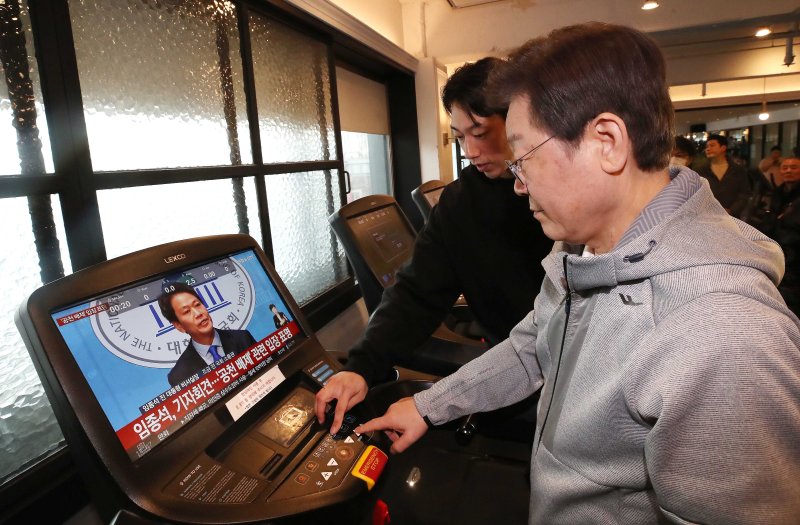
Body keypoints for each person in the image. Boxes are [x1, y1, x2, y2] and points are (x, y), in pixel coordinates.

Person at [354, 23, 800, 524]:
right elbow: (534, 346)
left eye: (523, 159)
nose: (518, 186)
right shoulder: (583, 249)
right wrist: (429, 405)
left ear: (606, 142)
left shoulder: (723, 332)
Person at [315, 57, 552, 433]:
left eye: (480, 132)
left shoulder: (562, 193)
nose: (470, 151)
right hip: (511, 370)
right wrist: (361, 367)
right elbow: (415, 292)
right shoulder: (461, 204)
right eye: (460, 137)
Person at [159, 282, 256, 386]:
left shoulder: (243, 338)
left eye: (197, 305)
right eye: (187, 311)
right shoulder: (179, 375)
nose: (198, 314)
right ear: (179, 326)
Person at [696, 134, 751, 216]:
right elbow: (695, 194)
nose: (708, 149)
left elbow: (744, 194)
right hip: (706, 216)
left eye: (712, 145)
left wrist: (732, 210)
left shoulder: (738, 170)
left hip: (732, 218)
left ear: (723, 148)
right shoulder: (700, 171)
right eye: (707, 146)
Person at [773, 156, 800, 316]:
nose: (789, 171)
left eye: (794, 167)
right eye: (785, 168)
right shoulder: (776, 193)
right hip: (780, 256)